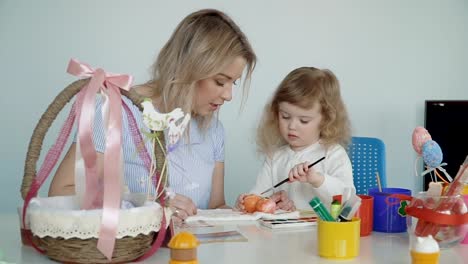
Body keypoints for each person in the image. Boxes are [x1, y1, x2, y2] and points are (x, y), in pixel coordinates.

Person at [48, 9, 257, 222]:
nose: (229, 95)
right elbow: (61, 191)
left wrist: (255, 209)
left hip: (192, 253)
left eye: (234, 83)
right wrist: (149, 205)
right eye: (221, 82)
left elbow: (214, 209)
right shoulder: (114, 112)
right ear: (189, 68)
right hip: (137, 253)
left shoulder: (213, 130)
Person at [235, 67, 355, 211]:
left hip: (322, 232)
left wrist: (318, 180)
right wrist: (247, 202)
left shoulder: (333, 154)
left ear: (326, 120)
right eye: (285, 116)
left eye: (304, 120)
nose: (292, 126)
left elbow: (348, 200)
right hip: (281, 232)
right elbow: (260, 195)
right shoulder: (275, 157)